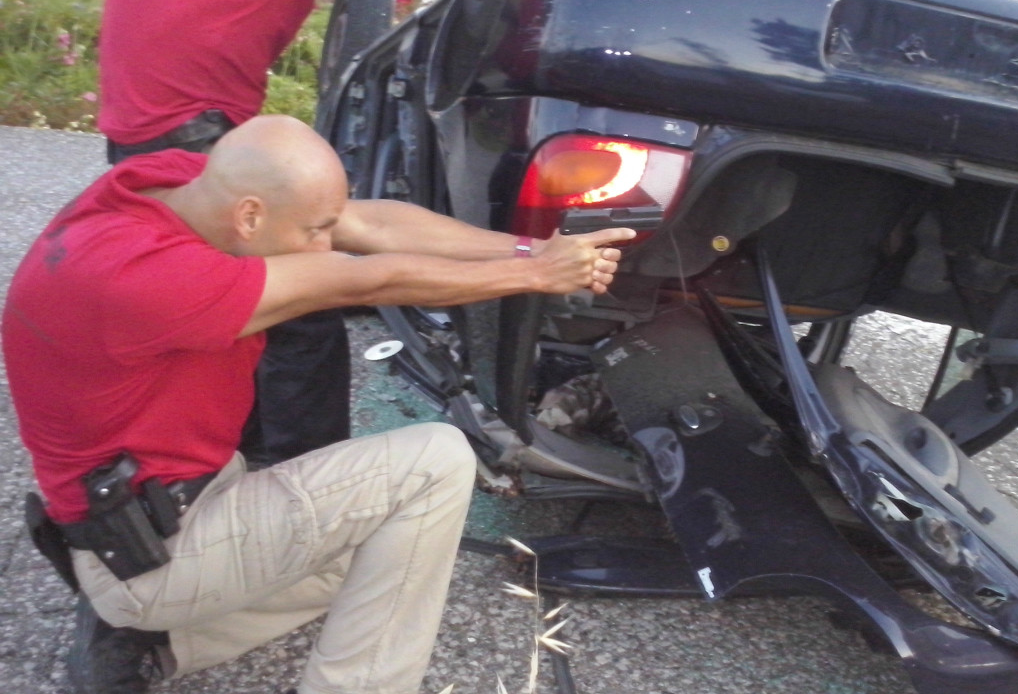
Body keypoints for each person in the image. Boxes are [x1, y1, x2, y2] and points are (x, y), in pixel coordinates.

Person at [3, 115, 633, 694]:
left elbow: (374, 226)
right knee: (435, 463)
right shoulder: (150, 279)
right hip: (156, 548)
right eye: (313, 233)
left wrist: (532, 250)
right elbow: (365, 276)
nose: (325, 244)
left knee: (390, 551)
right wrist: (536, 276)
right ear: (249, 216)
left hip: (162, 510)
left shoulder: (171, 183)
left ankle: (159, 644)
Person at [94, 0, 463, 466]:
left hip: (142, 137)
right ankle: (308, 478)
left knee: (231, 304)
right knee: (304, 298)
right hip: (187, 138)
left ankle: (241, 453)